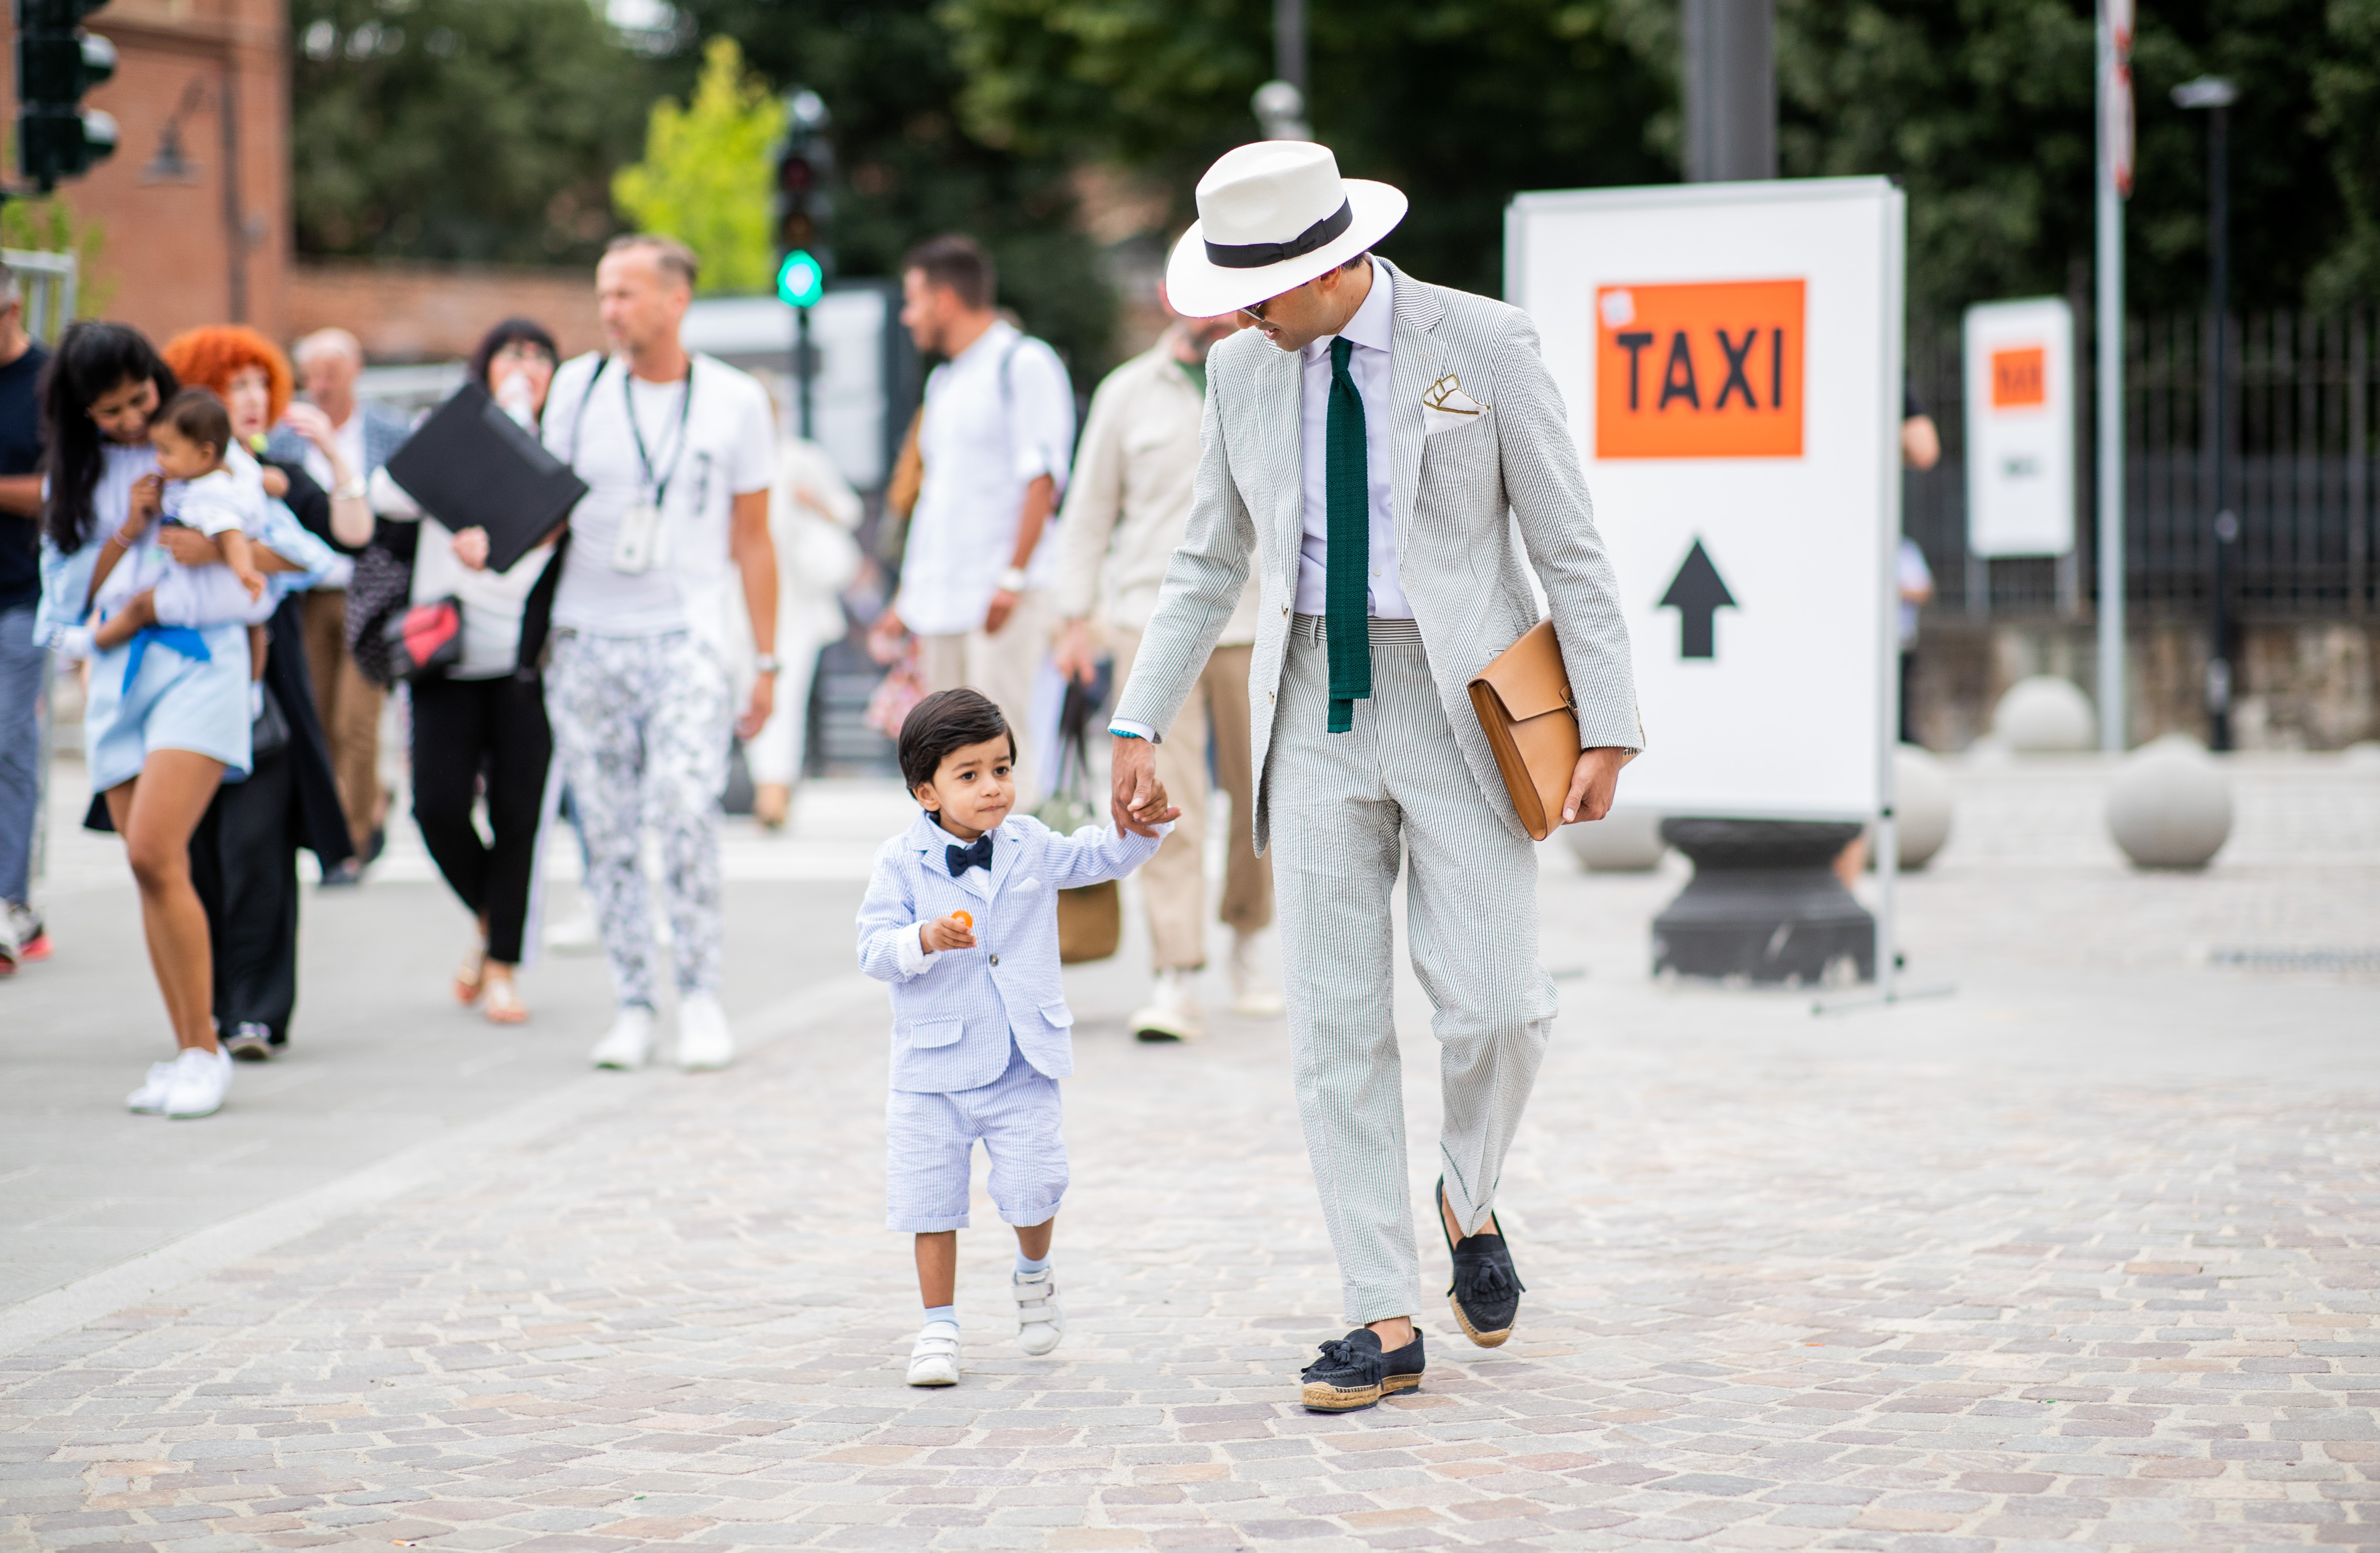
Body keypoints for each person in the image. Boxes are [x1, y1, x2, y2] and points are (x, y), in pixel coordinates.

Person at [1104, 143, 1640, 1410]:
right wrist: (1138, 722)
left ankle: (1466, 1196)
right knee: (1333, 1027)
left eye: (1263, 288)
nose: (1240, 315)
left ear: (1336, 265)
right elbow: (1203, 563)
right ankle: (1380, 1314)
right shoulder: (1240, 372)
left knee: (1497, 1003)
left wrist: (1606, 723)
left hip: (1465, 711)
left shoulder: (1485, 345)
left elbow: (1567, 543)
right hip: (1309, 711)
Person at [855, 688, 1172, 1387]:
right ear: (925, 791)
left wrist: (1140, 830)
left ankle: (1034, 1275)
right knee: (927, 1199)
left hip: (1021, 1059)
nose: (992, 787)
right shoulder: (900, 861)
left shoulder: (1030, 843)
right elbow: (871, 948)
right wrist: (921, 939)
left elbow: (1097, 859)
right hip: (930, 1068)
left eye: (1001, 768)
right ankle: (938, 1324)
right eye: (968, 775)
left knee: (1036, 1184)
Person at [541, 235, 779, 1072]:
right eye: (604, 294)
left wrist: (769, 660)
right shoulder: (577, 389)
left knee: (683, 807)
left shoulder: (734, 400)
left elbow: (754, 539)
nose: (610, 310)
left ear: (674, 302)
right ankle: (635, 1003)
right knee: (604, 832)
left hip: (687, 634)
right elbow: (541, 508)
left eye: (626, 295)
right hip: (586, 637)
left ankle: (701, 994)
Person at [1052, 286, 1278, 1041]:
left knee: (1261, 799)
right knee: (1161, 799)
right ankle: (1176, 971)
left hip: (1255, 620)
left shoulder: (1271, 366)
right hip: (1149, 622)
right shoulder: (1126, 394)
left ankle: (1250, 942)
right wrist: (1073, 617)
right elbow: (1089, 513)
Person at [35, 325, 244, 1117]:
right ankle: (189, 1046)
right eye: (110, 409)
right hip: (116, 683)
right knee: (149, 867)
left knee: (160, 846)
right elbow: (64, 604)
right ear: (82, 411)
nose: (129, 420)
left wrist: (219, 551)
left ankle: (205, 1050)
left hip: (199, 668)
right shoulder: (79, 474)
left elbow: (294, 558)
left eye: (139, 399)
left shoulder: (203, 439)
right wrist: (129, 528)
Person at [160, 325, 355, 1060]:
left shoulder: (277, 475)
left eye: (255, 384)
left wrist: (225, 549)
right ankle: (205, 1005)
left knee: (258, 847)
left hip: (264, 686)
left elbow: (332, 551)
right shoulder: (163, 477)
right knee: (195, 849)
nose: (247, 400)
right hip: (178, 675)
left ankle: (258, 1012)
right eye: (229, 385)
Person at [367, 319, 566, 1025]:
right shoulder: (447, 438)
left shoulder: (564, 448)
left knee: (518, 816)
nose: (528, 367)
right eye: (514, 354)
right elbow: (383, 496)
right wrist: (486, 428)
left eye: (541, 356)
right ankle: (493, 921)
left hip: (523, 668)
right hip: (444, 660)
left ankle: (503, 967)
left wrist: (522, 429)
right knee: (438, 808)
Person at [867, 236, 1074, 775]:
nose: (909, 318)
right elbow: (939, 498)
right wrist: (906, 596)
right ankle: (966, 860)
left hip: (998, 598)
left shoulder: (1023, 363)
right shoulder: (946, 380)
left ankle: (1016, 862)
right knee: (946, 756)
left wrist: (1012, 576)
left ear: (944, 301)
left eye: (913, 302)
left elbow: (1043, 478)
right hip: (941, 601)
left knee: (1003, 750)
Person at [265, 327, 408, 879]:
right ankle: (332, 825)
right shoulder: (285, 438)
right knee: (318, 713)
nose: (321, 385)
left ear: (357, 371)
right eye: (313, 375)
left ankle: (352, 841)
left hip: (369, 591)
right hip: (306, 594)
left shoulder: (389, 431)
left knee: (357, 720)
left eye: (332, 372)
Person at [745, 431, 862, 830]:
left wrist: (816, 505)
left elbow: (850, 511)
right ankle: (773, 783)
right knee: (748, 693)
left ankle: (772, 789)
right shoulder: (727, 456)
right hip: (739, 602)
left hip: (797, 600)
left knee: (787, 694)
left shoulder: (800, 459)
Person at [0, 261, 54, 974]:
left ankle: (10, 900)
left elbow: (64, 492)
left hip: (21, 595)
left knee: (9, 741)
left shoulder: (47, 386)